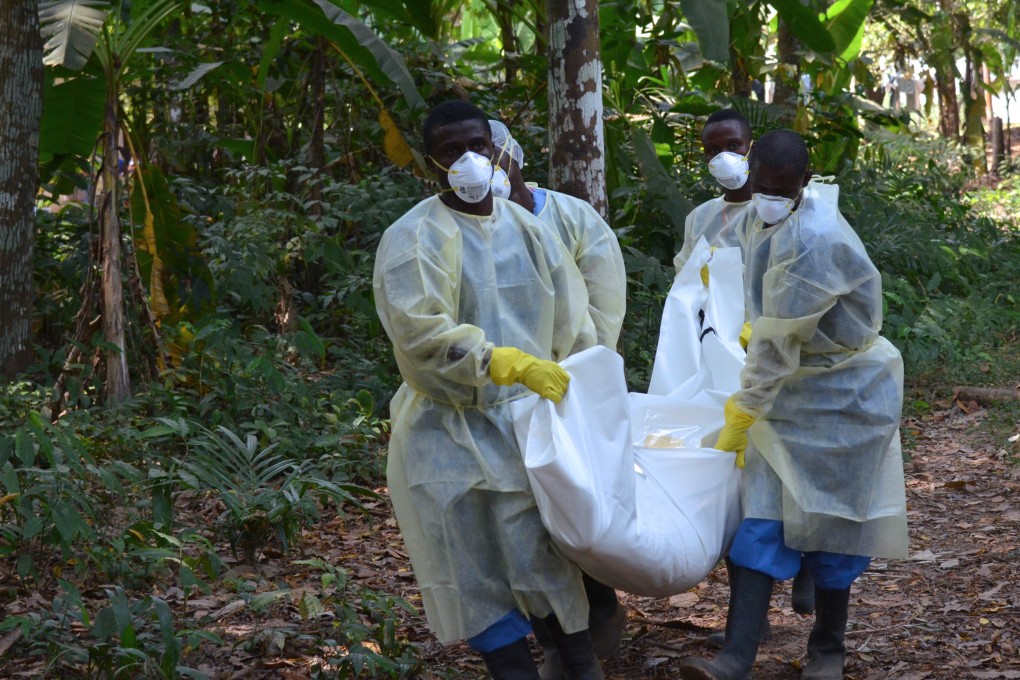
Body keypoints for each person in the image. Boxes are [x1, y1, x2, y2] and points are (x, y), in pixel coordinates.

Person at [373, 99, 605, 680]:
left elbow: (573, 318)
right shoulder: (413, 238)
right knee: (472, 568)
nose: (468, 160)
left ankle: (579, 663)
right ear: (432, 163)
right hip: (445, 432)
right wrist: (501, 361)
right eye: (451, 151)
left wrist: (579, 383)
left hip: (528, 426)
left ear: (497, 147)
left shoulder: (528, 227)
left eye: (477, 145)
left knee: (545, 558)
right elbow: (421, 334)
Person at [677, 130, 909, 680]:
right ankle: (735, 658)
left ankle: (827, 649)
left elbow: (779, 344)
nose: (769, 196)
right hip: (792, 388)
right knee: (760, 520)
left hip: (844, 393)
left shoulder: (814, 237)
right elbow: (769, 317)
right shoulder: (763, 218)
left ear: (804, 183)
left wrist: (743, 411)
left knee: (834, 529)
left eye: (781, 189)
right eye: (761, 186)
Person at [489, 119, 628, 676]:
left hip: (568, 384)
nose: (485, 172)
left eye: (494, 158)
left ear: (515, 158)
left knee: (572, 497)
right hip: (501, 391)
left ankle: (600, 607)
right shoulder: (464, 228)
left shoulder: (570, 217)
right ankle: (553, 636)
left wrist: (581, 370)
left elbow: (604, 300)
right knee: (520, 518)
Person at [674, 110, 817, 649]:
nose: (721, 159)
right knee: (741, 488)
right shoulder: (703, 218)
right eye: (711, 150)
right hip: (725, 361)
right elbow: (685, 284)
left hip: (782, 360)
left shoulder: (802, 218)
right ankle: (749, 624)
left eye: (730, 145)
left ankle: (806, 569)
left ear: (751, 147)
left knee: (789, 472)